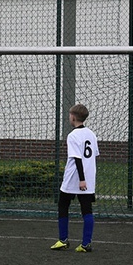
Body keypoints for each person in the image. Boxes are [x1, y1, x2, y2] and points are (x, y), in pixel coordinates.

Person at [51, 104, 99, 253]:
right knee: (86, 209)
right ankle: (86, 244)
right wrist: (87, 177)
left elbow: (77, 158)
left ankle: (63, 240)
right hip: (88, 177)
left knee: (63, 205)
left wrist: (81, 179)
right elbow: (94, 155)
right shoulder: (91, 134)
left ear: (73, 117)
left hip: (75, 177)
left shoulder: (72, 136)